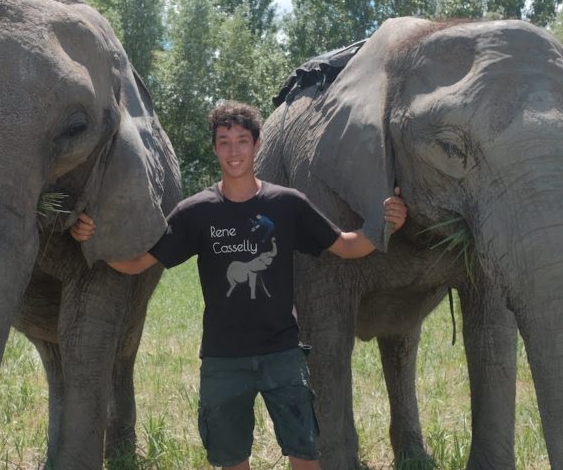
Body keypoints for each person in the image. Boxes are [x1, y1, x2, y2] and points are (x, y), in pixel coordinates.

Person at [71, 101, 407, 470]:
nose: (234, 151)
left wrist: (384, 224)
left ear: (257, 145)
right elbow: (137, 263)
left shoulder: (287, 204)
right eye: (225, 141)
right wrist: (92, 238)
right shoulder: (196, 212)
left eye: (242, 141)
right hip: (223, 359)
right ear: (215, 147)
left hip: (282, 353)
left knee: (306, 456)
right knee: (232, 461)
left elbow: (346, 246)